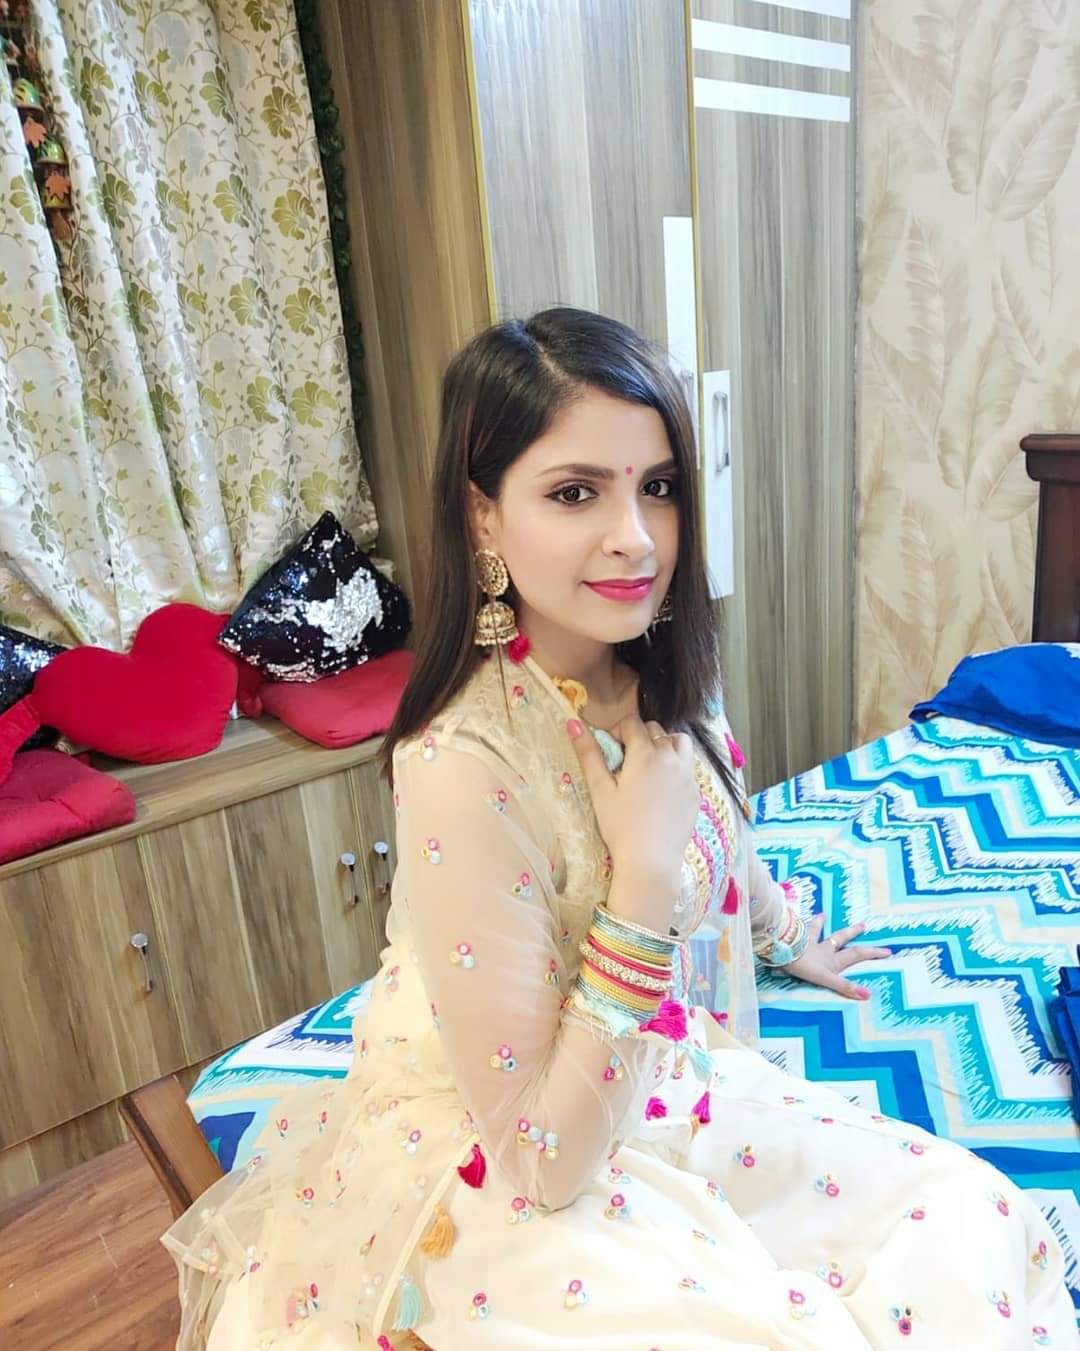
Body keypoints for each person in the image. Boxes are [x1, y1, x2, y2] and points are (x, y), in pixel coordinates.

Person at [164, 308, 1075, 1349]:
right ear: (482, 517)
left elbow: (719, 832)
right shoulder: (461, 763)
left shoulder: (660, 670)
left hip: (660, 1076)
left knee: (971, 1217)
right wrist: (640, 878)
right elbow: (539, 1160)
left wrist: (786, 935)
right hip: (510, 1156)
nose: (636, 537)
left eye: (659, 487)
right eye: (575, 492)